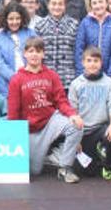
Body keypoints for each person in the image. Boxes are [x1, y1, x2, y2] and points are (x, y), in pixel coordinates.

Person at [7, 37, 84, 183]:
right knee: (34, 171)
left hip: (49, 121)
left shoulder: (51, 75)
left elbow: (61, 101)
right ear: (25, 54)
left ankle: (64, 167)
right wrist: (15, 137)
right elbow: (13, 111)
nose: (34, 55)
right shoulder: (17, 79)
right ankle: (49, 157)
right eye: (31, 51)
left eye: (38, 51)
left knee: (76, 125)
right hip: (29, 129)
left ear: (43, 54)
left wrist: (72, 114)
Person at [68, 47, 111, 179]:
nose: (92, 64)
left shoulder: (109, 83)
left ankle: (108, 168)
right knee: (88, 172)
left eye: (96, 61)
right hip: (82, 132)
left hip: (101, 128)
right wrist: (76, 139)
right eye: (89, 60)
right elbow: (72, 112)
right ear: (83, 63)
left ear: (101, 63)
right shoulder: (76, 84)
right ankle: (98, 155)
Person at [74, 0, 111, 81]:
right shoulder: (85, 23)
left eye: (101, 2)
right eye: (94, 3)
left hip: (108, 73)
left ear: (107, 3)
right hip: (88, 72)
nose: (98, 5)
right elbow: (79, 48)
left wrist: (110, 75)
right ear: (91, 6)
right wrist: (82, 72)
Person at [36, 0, 79, 88]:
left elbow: (77, 52)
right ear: (48, 5)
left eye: (60, 4)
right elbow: (37, 53)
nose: (57, 7)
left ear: (65, 6)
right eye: (54, 4)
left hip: (68, 79)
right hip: (45, 79)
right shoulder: (40, 25)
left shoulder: (74, 25)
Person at [0, 2, 36, 96]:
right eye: (11, 19)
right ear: (5, 19)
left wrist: (27, 76)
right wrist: (14, 77)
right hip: (6, 86)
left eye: (18, 18)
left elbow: (36, 55)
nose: (14, 22)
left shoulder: (30, 34)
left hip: (29, 82)